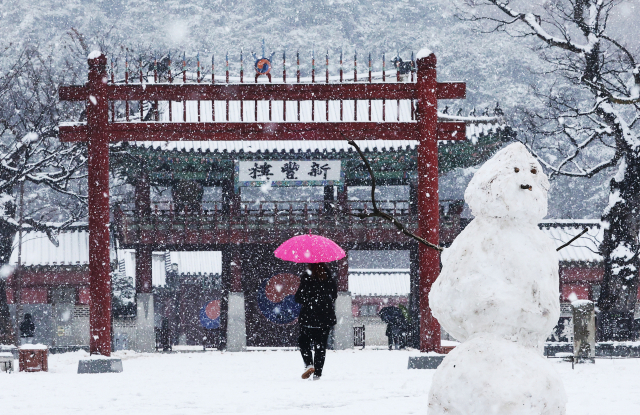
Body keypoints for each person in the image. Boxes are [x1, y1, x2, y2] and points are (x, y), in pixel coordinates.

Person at [294, 262, 337, 380]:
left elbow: (298, 297)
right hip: (325, 318)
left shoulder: (307, 278)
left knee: (304, 342)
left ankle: (309, 364)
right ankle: (317, 373)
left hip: (309, 317)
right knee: (320, 346)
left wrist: (309, 299)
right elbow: (334, 296)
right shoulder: (329, 278)